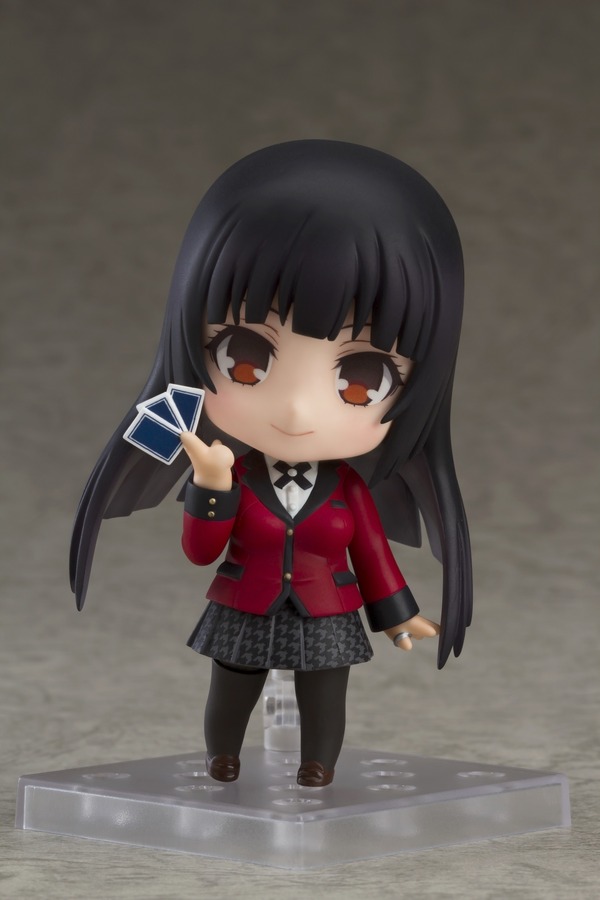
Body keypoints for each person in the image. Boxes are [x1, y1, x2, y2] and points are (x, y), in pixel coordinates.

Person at [70, 140, 472, 787]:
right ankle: (222, 756)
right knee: (232, 686)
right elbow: (201, 552)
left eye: (361, 380)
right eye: (244, 358)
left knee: (325, 692)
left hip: (326, 606)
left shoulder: (347, 488)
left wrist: (396, 611)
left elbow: (372, 553)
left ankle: (318, 764)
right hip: (244, 600)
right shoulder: (233, 472)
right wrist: (212, 486)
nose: (294, 409)